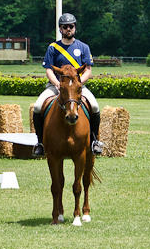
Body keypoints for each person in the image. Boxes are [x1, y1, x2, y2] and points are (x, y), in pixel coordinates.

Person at [32, 13, 104, 157]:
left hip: (77, 87)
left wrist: (77, 84)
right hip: (56, 86)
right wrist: (57, 84)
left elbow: (88, 71)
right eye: (65, 27)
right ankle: (40, 143)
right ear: (60, 29)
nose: (68, 29)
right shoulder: (53, 47)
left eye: (71, 26)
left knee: (95, 106)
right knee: (38, 107)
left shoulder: (83, 47)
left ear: (75, 27)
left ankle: (94, 141)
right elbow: (49, 70)